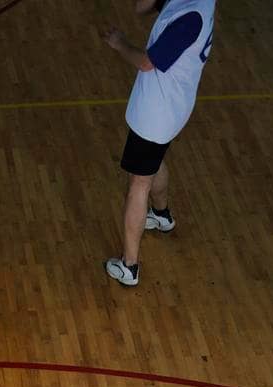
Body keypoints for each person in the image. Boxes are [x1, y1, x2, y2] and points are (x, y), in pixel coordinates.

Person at [101, 0, 215, 286]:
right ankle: (162, 215)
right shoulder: (202, 2)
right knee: (153, 163)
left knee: (139, 183)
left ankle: (130, 266)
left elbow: (146, 62)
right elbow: (141, 7)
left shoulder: (189, 21)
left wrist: (119, 43)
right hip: (173, 107)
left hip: (156, 113)